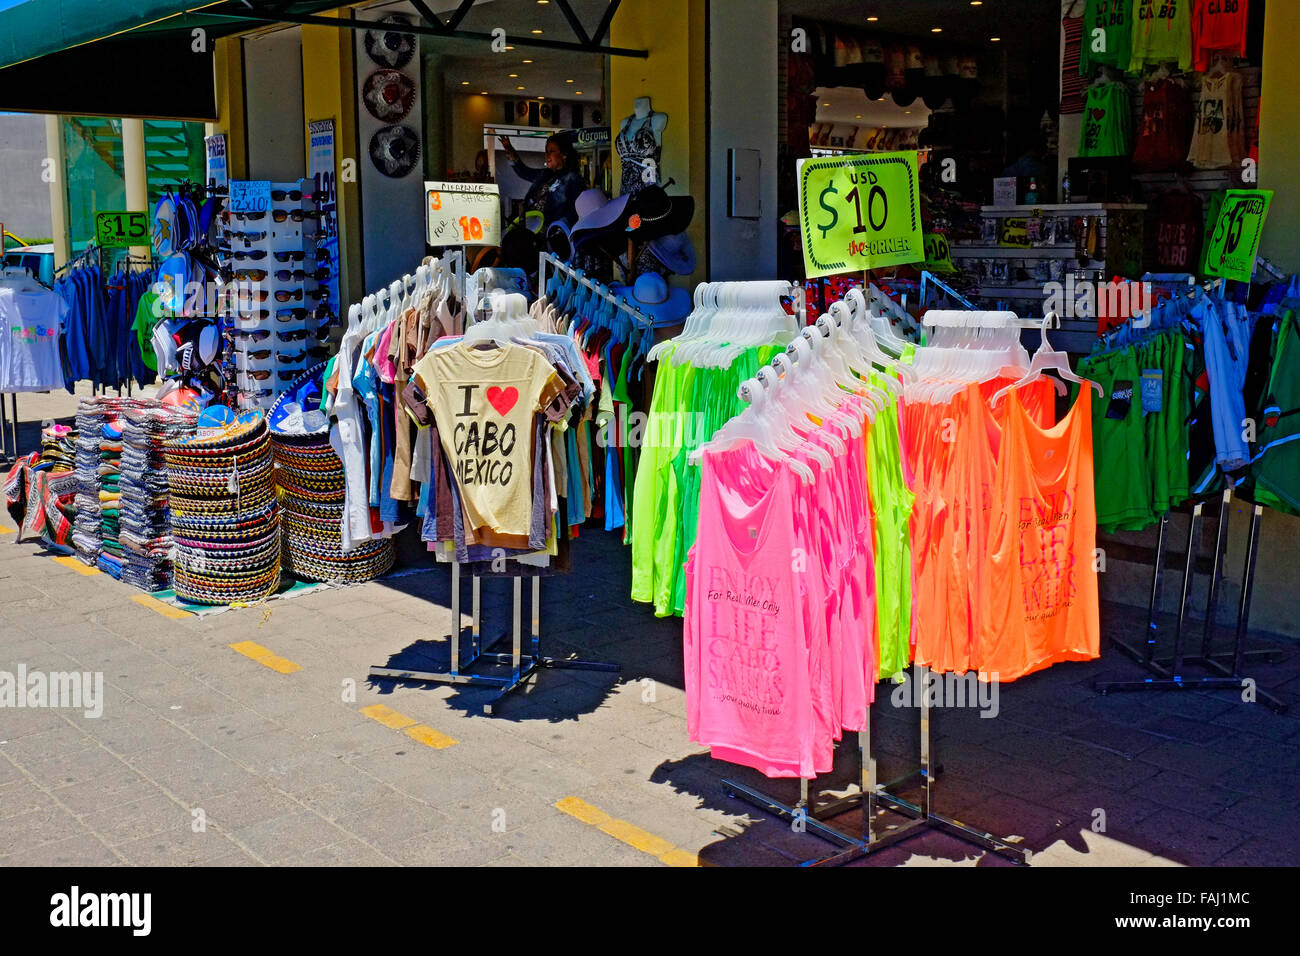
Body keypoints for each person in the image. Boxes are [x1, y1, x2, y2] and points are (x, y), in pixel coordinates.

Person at [498, 132, 585, 227]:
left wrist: (559, 228)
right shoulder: (545, 174)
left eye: (551, 151)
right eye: (546, 151)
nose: (547, 155)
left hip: (552, 234)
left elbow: (577, 210)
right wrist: (509, 149)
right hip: (531, 228)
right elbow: (524, 172)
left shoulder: (573, 178)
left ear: (564, 154)